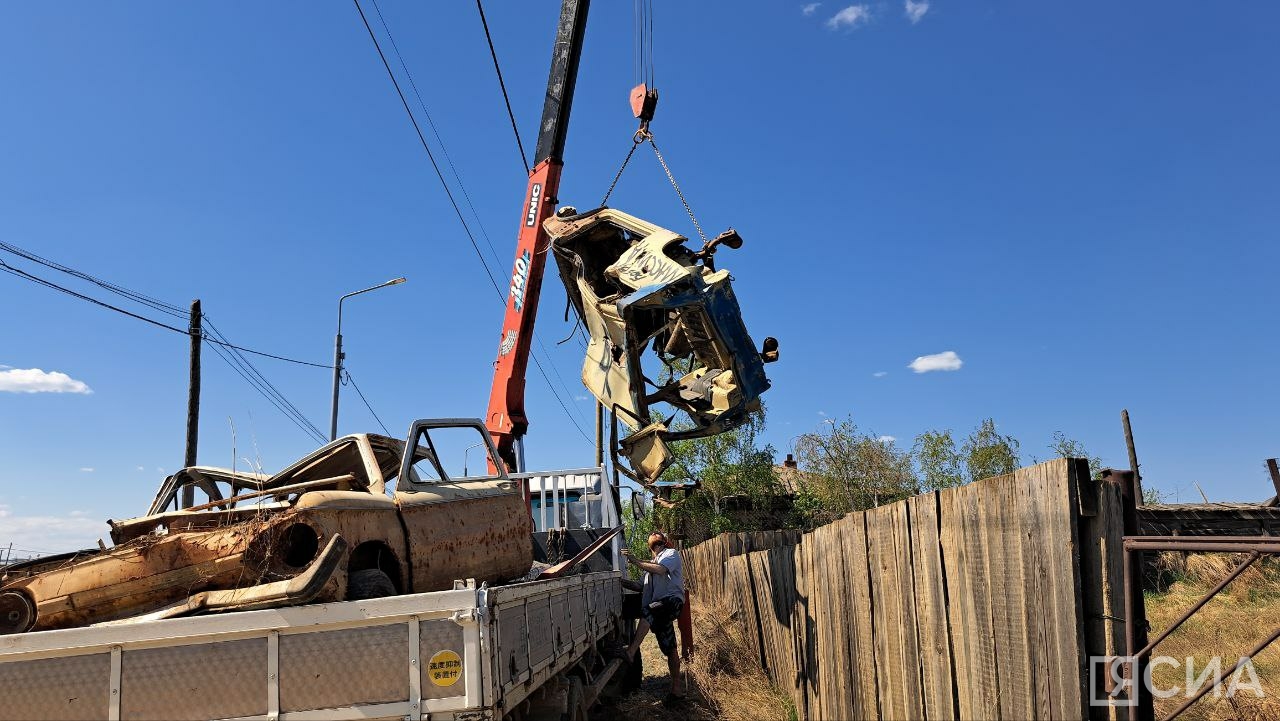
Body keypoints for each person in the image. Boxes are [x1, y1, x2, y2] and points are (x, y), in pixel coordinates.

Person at [622, 531, 686, 700]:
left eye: (658, 538)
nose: (655, 537)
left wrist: (635, 561)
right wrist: (619, 581)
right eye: (653, 538)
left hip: (672, 602)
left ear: (663, 543)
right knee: (670, 649)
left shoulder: (670, 554)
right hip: (661, 609)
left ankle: (631, 651)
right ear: (651, 547)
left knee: (649, 610)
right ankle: (676, 690)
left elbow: (661, 569)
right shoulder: (650, 565)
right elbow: (639, 586)